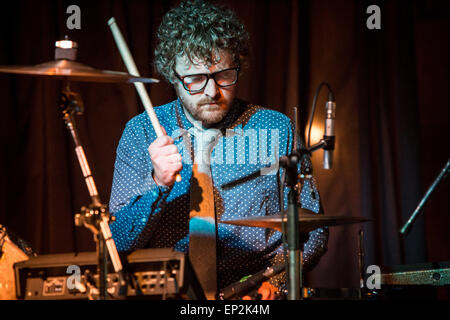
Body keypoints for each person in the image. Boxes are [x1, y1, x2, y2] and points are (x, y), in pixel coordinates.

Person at [109, 0, 328, 300]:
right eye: (196, 79)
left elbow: (314, 229)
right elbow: (117, 242)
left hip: (252, 295)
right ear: (173, 76)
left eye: (223, 75)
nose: (213, 91)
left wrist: (274, 283)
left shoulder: (276, 129)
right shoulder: (141, 132)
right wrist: (158, 185)